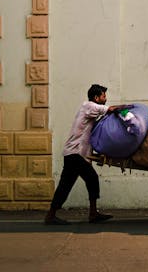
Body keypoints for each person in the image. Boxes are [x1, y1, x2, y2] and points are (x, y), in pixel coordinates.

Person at [44, 84, 121, 225]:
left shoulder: (90, 111)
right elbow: (110, 110)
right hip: (75, 153)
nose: (106, 99)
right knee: (88, 179)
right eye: (104, 96)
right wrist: (131, 108)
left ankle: (54, 214)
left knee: (68, 184)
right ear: (96, 97)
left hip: (74, 154)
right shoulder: (89, 106)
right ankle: (90, 214)